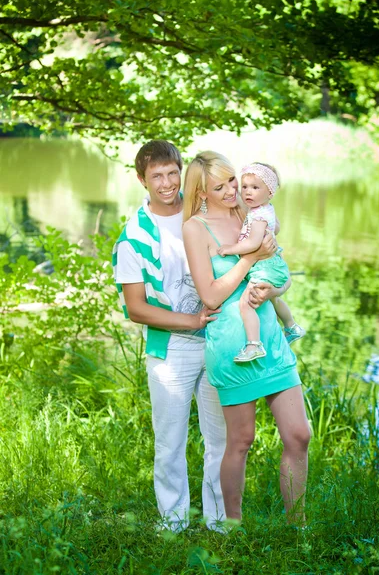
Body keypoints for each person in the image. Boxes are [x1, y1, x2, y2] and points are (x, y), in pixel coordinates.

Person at [112, 140, 278, 532]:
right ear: (142, 180)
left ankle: (220, 521)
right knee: (169, 440)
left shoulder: (211, 206)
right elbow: (135, 307)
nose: (168, 183)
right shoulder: (133, 236)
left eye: (173, 173)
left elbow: (260, 236)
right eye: (157, 177)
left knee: (219, 436)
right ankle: (172, 522)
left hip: (221, 340)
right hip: (171, 348)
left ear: (182, 171)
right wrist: (192, 321)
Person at [182, 151, 311, 524]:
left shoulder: (251, 213)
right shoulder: (195, 228)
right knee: (240, 441)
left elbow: (282, 276)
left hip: (270, 337)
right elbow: (210, 295)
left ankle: (296, 526)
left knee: (299, 435)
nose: (230, 191)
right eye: (218, 187)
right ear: (202, 192)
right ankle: (233, 525)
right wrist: (248, 260)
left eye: (232, 182)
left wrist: (271, 291)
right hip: (232, 346)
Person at [216, 162, 306, 362]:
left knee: (246, 304)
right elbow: (277, 228)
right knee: (274, 300)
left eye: (255, 188)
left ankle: (254, 345)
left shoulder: (258, 215)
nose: (248, 192)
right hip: (273, 265)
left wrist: (230, 248)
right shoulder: (265, 208)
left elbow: (253, 242)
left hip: (264, 268)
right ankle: (291, 326)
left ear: (270, 192)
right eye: (245, 187)